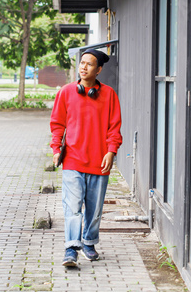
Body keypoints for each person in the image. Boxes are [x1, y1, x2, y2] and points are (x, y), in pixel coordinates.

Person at [50, 49, 123, 267]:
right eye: (82, 63)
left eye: (89, 64)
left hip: (100, 162)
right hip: (72, 160)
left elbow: (114, 127)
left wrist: (111, 151)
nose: (83, 67)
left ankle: (89, 243)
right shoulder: (66, 92)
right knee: (72, 206)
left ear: (98, 70)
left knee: (94, 208)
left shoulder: (109, 94)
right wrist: (56, 149)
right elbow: (57, 124)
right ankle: (71, 248)